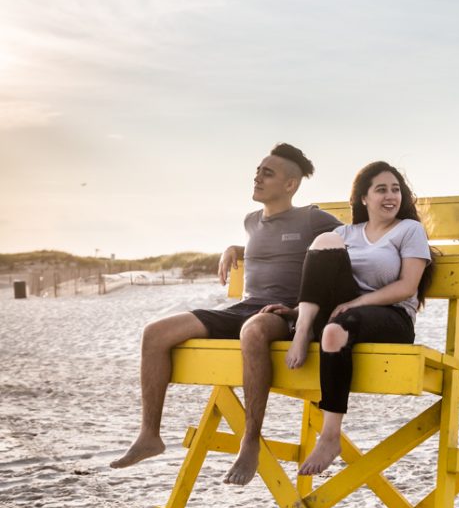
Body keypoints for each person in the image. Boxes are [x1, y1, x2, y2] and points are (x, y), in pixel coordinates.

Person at [110, 143, 341, 483]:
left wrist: (301, 310)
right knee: (155, 332)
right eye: (258, 171)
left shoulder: (313, 218)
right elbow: (271, 246)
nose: (257, 177)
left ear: (290, 185)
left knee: (253, 330)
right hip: (243, 308)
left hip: (281, 314)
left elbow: (350, 245)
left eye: (268, 173)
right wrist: (235, 248)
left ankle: (250, 441)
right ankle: (150, 435)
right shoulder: (251, 222)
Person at [264, 161, 432, 476]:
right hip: (341, 311)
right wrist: (297, 310)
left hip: (390, 316)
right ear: (363, 198)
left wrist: (360, 301)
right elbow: (323, 280)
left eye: (395, 189)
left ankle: (330, 437)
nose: (390, 196)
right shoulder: (345, 233)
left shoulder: (409, 230)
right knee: (325, 241)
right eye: (381, 189)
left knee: (332, 333)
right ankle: (301, 329)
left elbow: (407, 286)